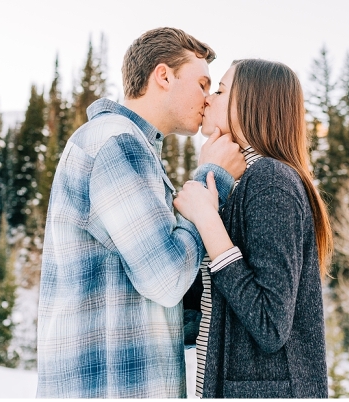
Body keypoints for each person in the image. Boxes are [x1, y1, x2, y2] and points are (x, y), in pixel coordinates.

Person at [36, 27, 246, 398]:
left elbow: (150, 293)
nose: (207, 98)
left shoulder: (124, 143)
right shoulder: (118, 142)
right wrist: (212, 180)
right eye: (202, 84)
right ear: (163, 76)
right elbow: (166, 278)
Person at [174, 59, 333, 398]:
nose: (208, 99)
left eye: (220, 91)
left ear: (251, 103)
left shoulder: (271, 180)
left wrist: (207, 219)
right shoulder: (244, 183)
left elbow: (270, 323)